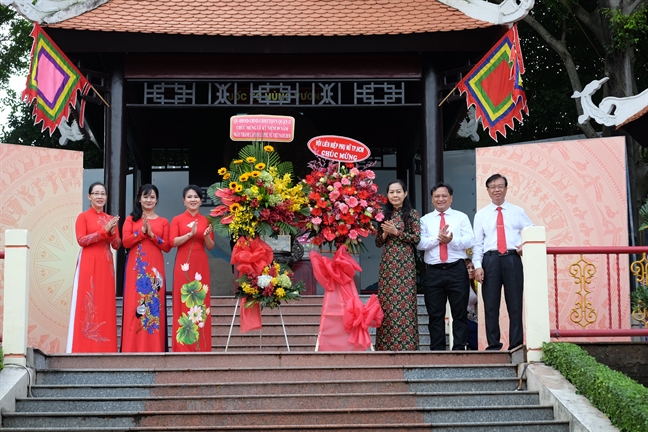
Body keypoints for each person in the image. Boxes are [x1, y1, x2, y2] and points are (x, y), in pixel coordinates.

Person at [473, 173, 533, 350]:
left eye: (500, 186)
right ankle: (493, 345)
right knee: (491, 305)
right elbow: (477, 243)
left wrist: (525, 244)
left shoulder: (517, 211)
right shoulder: (481, 215)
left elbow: (532, 229)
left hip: (512, 259)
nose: (496, 189)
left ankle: (516, 345)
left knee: (515, 304)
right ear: (488, 190)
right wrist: (477, 266)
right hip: (490, 260)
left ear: (506, 189)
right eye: (493, 187)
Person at [417, 182, 474, 350]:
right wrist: (438, 239)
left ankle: (459, 349)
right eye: (437, 196)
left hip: (456, 269)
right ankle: (438, 350)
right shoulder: (425, 220)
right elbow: (420, 243)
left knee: (459, 313)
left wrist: (452, 241)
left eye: (444, 196)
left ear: (451, 198)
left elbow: (470, 240)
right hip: (433, 272)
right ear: (432, 199)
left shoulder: (461, 217)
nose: (440, 199)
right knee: (435, 314)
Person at [66, 182, 121, 353]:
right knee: (88, 300)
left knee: (105, 302)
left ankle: (106, 346)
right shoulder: (83, 217)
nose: (99, 197)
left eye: (102, 193)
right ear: (89, 196)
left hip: (106, 264)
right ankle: (83, 346)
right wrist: (104, 231)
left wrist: (111, 233)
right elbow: (82, 240)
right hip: (89, 262)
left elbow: (117, 245)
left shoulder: (110, 219)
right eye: (96, 193)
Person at [120, 184, 171, 352]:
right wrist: (141, 232)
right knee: (135, 304)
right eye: (145, 196)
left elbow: (167, 246)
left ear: (157, 200)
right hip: (137, 267)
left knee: (154, 304)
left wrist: (152, 235)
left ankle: (155, 347)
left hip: (155, 266)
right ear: (139, 199)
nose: (149, 200)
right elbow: (125, 242)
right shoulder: (130, 220)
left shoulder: (163, 221)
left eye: (152, 197)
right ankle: (132, 347)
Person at [375, 180, 421, 351]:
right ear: (387, 195)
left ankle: (407, 346)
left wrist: (397, 232)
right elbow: (378, 243)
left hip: (406, 265)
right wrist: (386, 234)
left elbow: (416, 238)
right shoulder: (383, 215)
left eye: (398, 192)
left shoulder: (412, 214)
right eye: (391, 192)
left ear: (405, 193)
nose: (395, 195)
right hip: (388, 265)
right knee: (387, 305)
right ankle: (385, 346)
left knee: (405, 304)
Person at [170, 185, 215, 352]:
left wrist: (204, 236)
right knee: (183, 301)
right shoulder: (177, 220)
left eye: (196, 197)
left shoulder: (207, 221)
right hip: (183, 264)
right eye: (189, 197)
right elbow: (172, 242)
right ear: (184, 201)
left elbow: (210, 246)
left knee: (201, 303)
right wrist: (190, 234)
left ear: (201, 201)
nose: (193, 200)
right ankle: (183, 347)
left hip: (200, 263)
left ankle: (201, 346)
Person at [465, 258, 479, 350]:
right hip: (467, 320)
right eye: (468, 268)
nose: (471, 270)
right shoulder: (462, 285)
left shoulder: (472, 284)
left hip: (474, 319)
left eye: (473, 267)